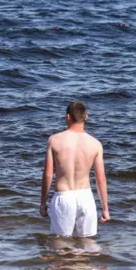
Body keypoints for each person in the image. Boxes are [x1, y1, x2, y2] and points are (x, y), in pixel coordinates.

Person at [40, 102, 110, 238]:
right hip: (86, 197)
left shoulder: (54, 140)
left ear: (67, 117)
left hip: (64, 196)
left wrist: (43, 202)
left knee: (61, 245)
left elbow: (48, 175)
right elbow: (100, 179)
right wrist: (105, 208)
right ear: (86, 117)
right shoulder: (95, 144)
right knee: (87, 244)